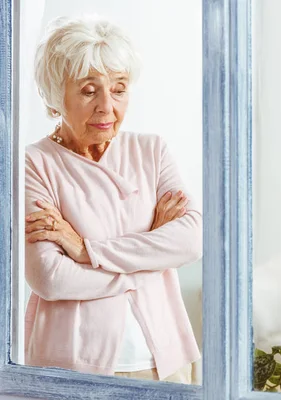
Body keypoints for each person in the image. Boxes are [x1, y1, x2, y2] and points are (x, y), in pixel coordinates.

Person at [23, 15, 202, 385]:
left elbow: (191, 240)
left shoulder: (151, 151)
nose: (107, 106)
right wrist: (150, 255)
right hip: (72, 363)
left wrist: (86, 250)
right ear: (57, 96)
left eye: (119, 89)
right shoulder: (34, 163)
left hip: (165, 359)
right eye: (89, 91)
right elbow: (50, 277)